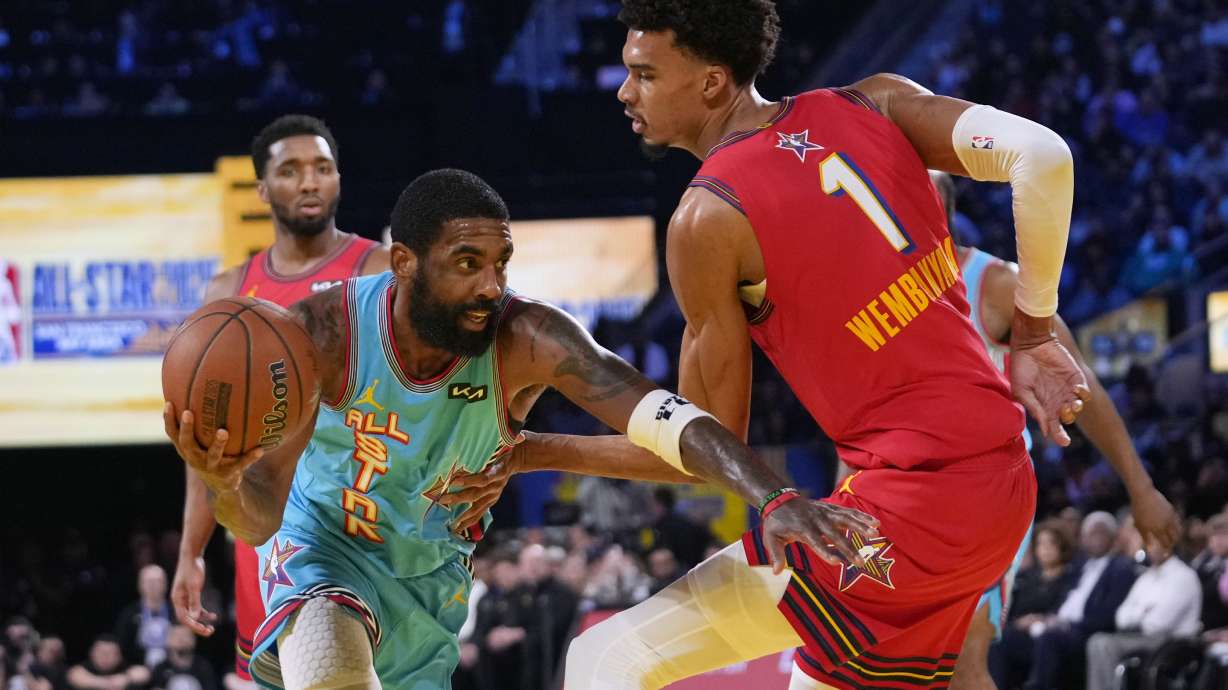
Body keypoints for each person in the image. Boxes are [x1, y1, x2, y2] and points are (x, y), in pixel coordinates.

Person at [447, 1, 1089, 688]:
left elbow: (704, 444)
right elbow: (1044, 156)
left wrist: (537, 451)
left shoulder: (708, 216)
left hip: (906, 515)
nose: (623, 91)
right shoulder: (878, 101)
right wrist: (1035, 329)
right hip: (1002, 491)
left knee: (606, 658)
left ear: (712, 84)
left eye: (644, 74)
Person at [163, 168, 874, 690]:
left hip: (431, 584)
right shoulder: (323, 334)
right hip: (324, 553)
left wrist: (774, 497)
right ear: (404, 264)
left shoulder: (530, 335)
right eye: (467, 264)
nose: (490, 285)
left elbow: (676, 429)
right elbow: (257, 523)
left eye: (501, 262)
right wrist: (223, 482)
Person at [930, 170, 1180, 690]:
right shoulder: (881, 289)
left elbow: (1079, 382)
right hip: (904, 491)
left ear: (942, 212)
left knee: (958, 661)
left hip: (985, 496)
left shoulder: (993, 284)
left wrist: (1141, 487)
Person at [171, 114, 387, 689]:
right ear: (263, 190)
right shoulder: (228, 294)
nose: (310, 182)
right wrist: (191, 552)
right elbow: (204, 449)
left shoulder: (380, 271)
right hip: (265, 535)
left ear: (339, 179)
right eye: (290, 171)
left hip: (358, 526)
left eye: (322, 168)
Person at [1084, 538, 1201, 690]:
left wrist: (1137, 614)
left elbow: (1157, 624)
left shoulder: (1183, 576)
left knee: (1104, 644)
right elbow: (1120, 617)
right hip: (1139, 636)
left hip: (1171, 642)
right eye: (1149, 544)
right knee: (1096, 640)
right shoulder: (1146, 577)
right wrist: (1143, 612)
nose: (1151, 548)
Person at [115, 564, 173, 668]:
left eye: (157, 581)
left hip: (172, 665)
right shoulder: (129, 614)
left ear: (166, 584)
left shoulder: (176, 612)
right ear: (140, 585)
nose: (153, 586)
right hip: (138, 667)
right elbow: (122, 646)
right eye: (149, 582)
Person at [149, 626, 219, 690]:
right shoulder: (161, 668)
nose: (181, 639)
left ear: (194, 640)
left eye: (185, 636)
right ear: (168, 640)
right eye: (176, 636)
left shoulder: (203, 667)